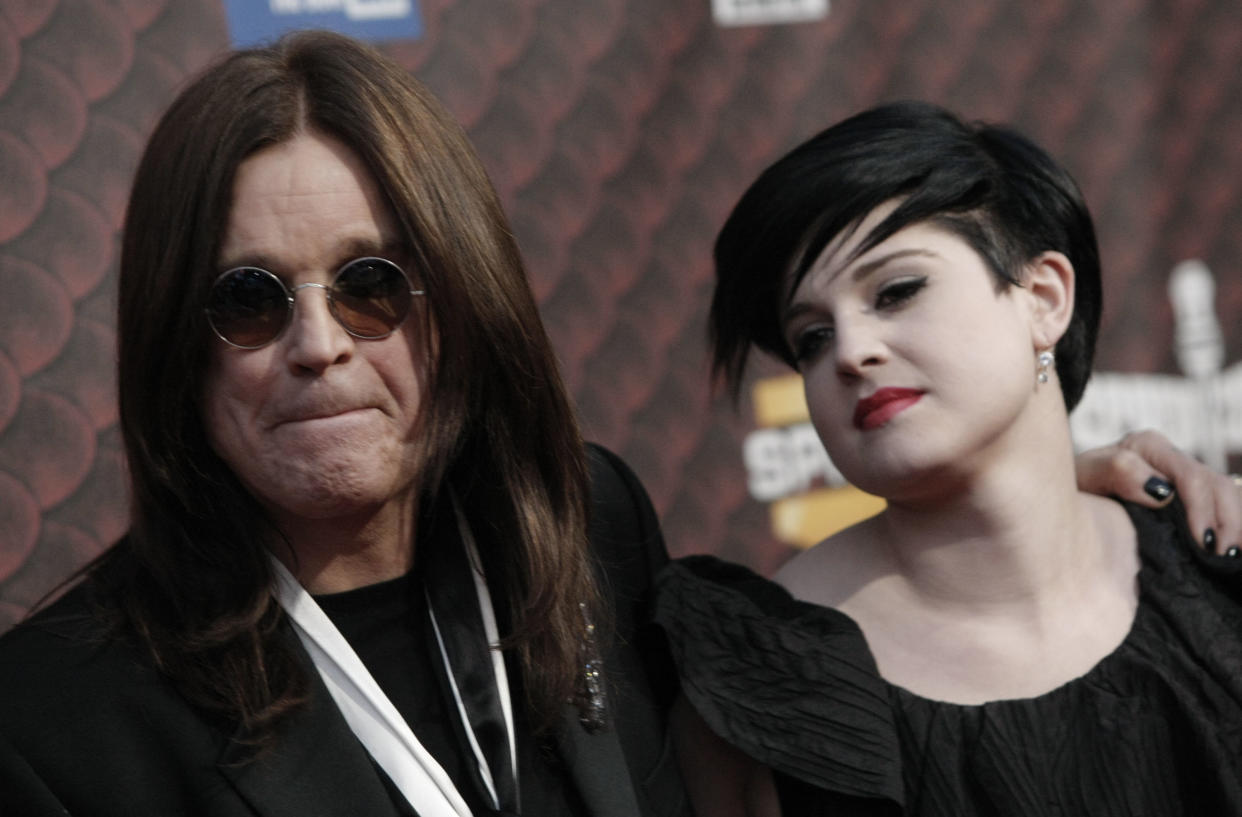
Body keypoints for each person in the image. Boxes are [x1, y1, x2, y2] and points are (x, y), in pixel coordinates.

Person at [0, 34, 1229, 817]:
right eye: (247, 300)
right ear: (176, 342)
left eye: (374, 284)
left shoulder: (590, 525)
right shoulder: (54, 726)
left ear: (461, 304)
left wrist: (1056, 486)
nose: (320, 343)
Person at [654, 101, 1242, 816]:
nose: (850, 351)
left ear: (1044, 297)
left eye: (897, 291)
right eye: (810, 337)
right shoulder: (759, 681)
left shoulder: (1216, 571)